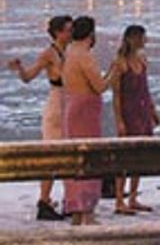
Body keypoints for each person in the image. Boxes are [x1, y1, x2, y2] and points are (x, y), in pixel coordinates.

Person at [5, 15, 74, 221]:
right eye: (68, 30)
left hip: (69, 102)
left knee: (68, 153)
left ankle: (66, 199)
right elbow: (29, 77)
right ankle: (44, 200)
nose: (71, 33)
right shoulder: (49, 54)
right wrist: (19, 69)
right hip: (57, 103)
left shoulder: (69, 51)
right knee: (53, 152)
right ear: (58, 32)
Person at [107, 24, 159, 214]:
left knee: (140, 156)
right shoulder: (120, 63)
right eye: (142, 37)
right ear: (132, 38)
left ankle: (134, 197)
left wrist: (153, 111)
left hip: (142, 110)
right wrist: (119, 120)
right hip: (129, 112)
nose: (144, 41)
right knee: (125, 156)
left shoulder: (142, 60)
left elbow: (145, 88)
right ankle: (120, 199)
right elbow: (116, 95)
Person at [61, 16, 108, 226]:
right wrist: (115, 72)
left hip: (73, 106)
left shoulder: (69, 52)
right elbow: (99, 86)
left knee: (75, 156)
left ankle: (77, 209)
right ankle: (85, 209)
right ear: (91, 34)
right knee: (87, 156)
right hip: (84, 110)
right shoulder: (84, 55)